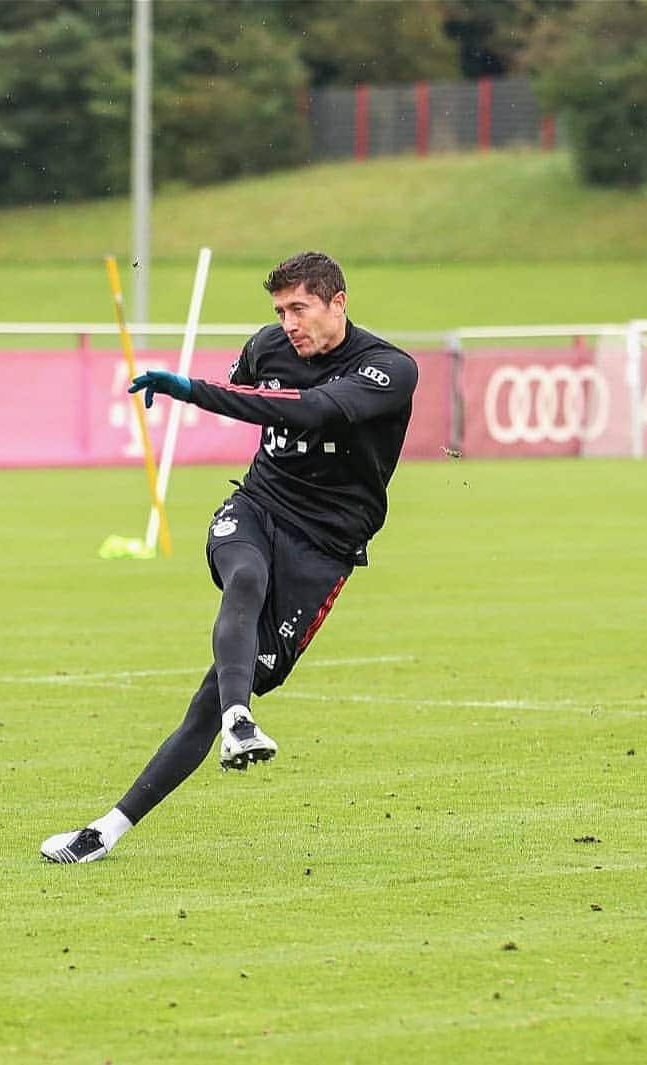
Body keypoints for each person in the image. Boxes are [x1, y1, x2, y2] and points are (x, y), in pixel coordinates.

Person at [40, 250, 418, 864]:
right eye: (280, 310)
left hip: (323, 548)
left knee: (203, 703)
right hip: (258, 505)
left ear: (337, 302)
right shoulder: (266, 347)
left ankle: (103, 833)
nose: (289, 323)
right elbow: (255, 391)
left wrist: (193, 391)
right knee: (243, 576)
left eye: (300, 308)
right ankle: (239, 722)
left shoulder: (388, 369)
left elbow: (312, 410)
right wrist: (212, 391)